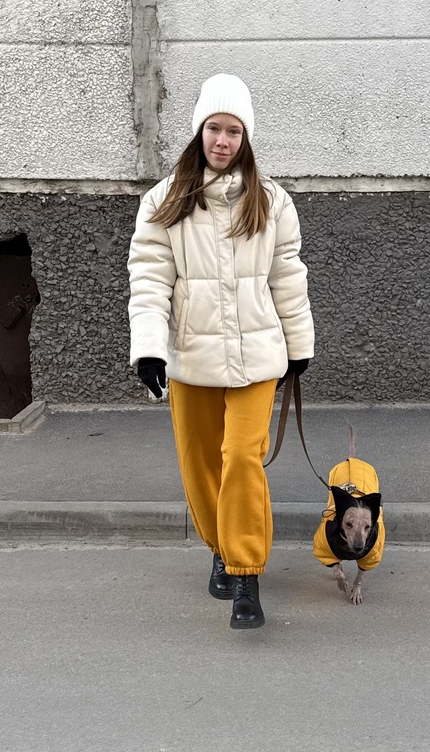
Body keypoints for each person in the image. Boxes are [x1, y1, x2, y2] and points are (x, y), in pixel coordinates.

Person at [127, 73, 314, 630]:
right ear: (199, 131)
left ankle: (245, 574)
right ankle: (220, 547)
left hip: (258, 357)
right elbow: (149, 280)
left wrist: (299, 345)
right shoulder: (164, 200)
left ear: (246, 136)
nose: (223, 140)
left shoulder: (271, 201)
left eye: (234, 131)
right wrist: (149, 350)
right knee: (201, 463)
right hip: (190, 358)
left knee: (241, 458)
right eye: (215, 128)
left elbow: (288, 277)